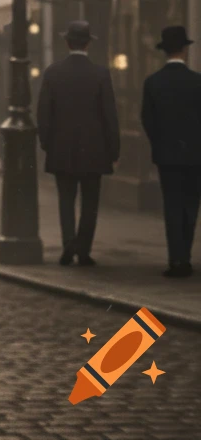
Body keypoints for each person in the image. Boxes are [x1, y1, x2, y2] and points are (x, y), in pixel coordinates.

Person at [36, 21, 120, 267]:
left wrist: (46, 143)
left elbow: (44, 113)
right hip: (95, 151)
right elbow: (109, 116)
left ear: (66, 42)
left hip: (61, 149)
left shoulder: (53, 72)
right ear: (88, 44)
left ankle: (67, 246)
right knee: (90, 203)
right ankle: (83, 250)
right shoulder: (101, 74)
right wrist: (114, 149)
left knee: (65, 199)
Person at [140, 26, 201, 278]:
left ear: (164, 51)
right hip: (196, 155)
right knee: (191, 206)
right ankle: (186, 257)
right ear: (184, 50)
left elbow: (147, 120)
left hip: (167, 156)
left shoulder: (153, 83)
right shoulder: (198, 82)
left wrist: (160, 143)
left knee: (172, 206)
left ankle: (175, 258)